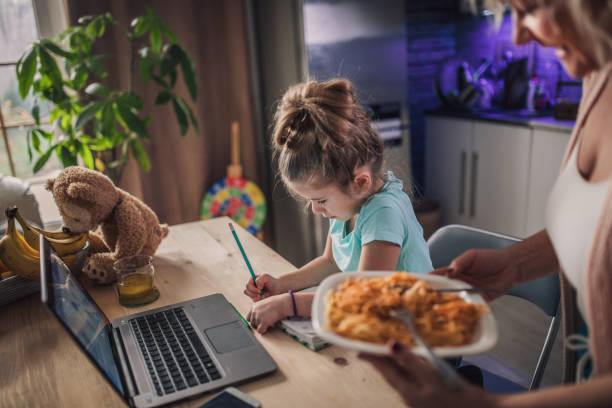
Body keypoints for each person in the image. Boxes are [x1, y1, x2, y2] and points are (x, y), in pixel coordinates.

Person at [360, 0, 612, 406]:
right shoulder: (597, 74)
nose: (517, 35)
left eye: (530, 7)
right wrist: (516, 264)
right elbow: (596, 227)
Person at [244, 78, 433, 333]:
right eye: (310, 201)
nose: (314, 210)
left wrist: (287, 304)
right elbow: (332, 262)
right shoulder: (348, 201)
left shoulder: (383, 214)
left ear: (360, 183)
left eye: (320, 200)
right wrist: (281, 284)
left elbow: (365, 299)